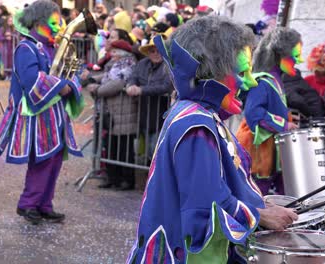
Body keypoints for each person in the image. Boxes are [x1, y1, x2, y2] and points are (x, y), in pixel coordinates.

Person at [127, 16, 297, 264]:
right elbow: (207, 202)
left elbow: (213, 183)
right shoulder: (196, 124)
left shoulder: (196, 112)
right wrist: (259, 216)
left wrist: (258, 203)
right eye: (242, 72)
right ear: (211, 73)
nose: (250, 82)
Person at [0, 0, 83, 225]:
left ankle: (45, 205)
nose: (59, 26)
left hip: (55, 113)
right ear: (39, 22)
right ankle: (28, 204)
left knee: (55, 159)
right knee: (42, 160)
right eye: (54, 22)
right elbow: (32, 81)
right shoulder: (26, 48)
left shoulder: (52, 46)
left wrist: (73, 81)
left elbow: (64, 73)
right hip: (37, 116)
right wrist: (61, 85)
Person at [237, 27, 302, 195]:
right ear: (280, 55)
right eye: (295, 56)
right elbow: (253, 115)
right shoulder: (264, 81)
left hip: (271, 153)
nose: (299, 60)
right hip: (259, 154)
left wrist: (287, 116)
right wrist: (284, 124)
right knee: (261, 200)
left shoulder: (274, 79)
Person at [89, 39, 137, 190]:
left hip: (124, 113)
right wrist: (91, 79)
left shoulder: (129, 64)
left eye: (114, 52)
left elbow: (116, 84)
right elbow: (106, 76)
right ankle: (112, 177)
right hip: (111, 112)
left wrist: (97, 89)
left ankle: (126, 180)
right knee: (110, 146)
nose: (112, 54)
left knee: (124, 148)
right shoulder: (115, 64)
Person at [126, 37, 173, 162]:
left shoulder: (168, 66)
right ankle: (149, 176)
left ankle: (157, 178)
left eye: (159, 51)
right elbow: (133, 77)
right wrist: (130, 85)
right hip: (144, 113)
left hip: (161, 114)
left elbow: (167, 86)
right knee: (148, 150)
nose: (156, 54)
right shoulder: (142, 64)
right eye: (152, 51)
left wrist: (141, 90)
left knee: (156, 150)